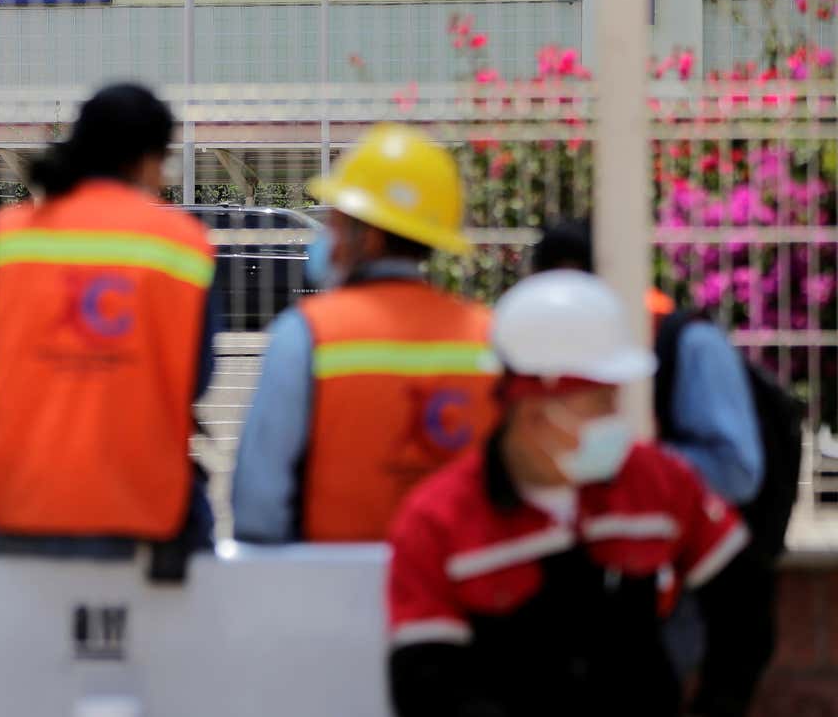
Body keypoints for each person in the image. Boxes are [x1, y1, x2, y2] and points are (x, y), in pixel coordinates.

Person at [386, 270, 753, 717]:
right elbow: (426, 685)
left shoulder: (655, 481)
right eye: (600, 404)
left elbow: (742, 603)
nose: (616, 419)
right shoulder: (437, 522)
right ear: (534, 412)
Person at [0, 83, 219, 570]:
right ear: (150, 159)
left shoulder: (11, 235)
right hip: (142, 519)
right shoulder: (185, 244)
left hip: (18, 510)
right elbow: (195, 382)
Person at [534, 219, 773, 716]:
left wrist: (632, 466)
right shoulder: (545, 354)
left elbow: (737, 471)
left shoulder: (688, 346)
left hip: (669, 589)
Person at [231, 124, 499, 543]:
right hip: (454, 589)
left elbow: (257, 508)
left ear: (367, 237)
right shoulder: (488, 336)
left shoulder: (305, 335)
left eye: (336, 223)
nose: (327, 239)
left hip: (329, 589)